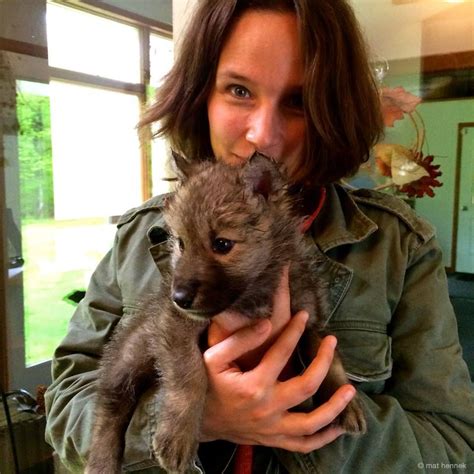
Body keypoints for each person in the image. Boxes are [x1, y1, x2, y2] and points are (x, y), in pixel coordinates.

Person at [45, 0, 474, 472]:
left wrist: (295, 417)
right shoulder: (134, 238)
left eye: (297, 101)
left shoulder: (400, 247)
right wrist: (201, 418)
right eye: (238, 90)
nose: (262, 136)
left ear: (333, 108)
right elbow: (66, 405)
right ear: (200, 94)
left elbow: (453, 449)